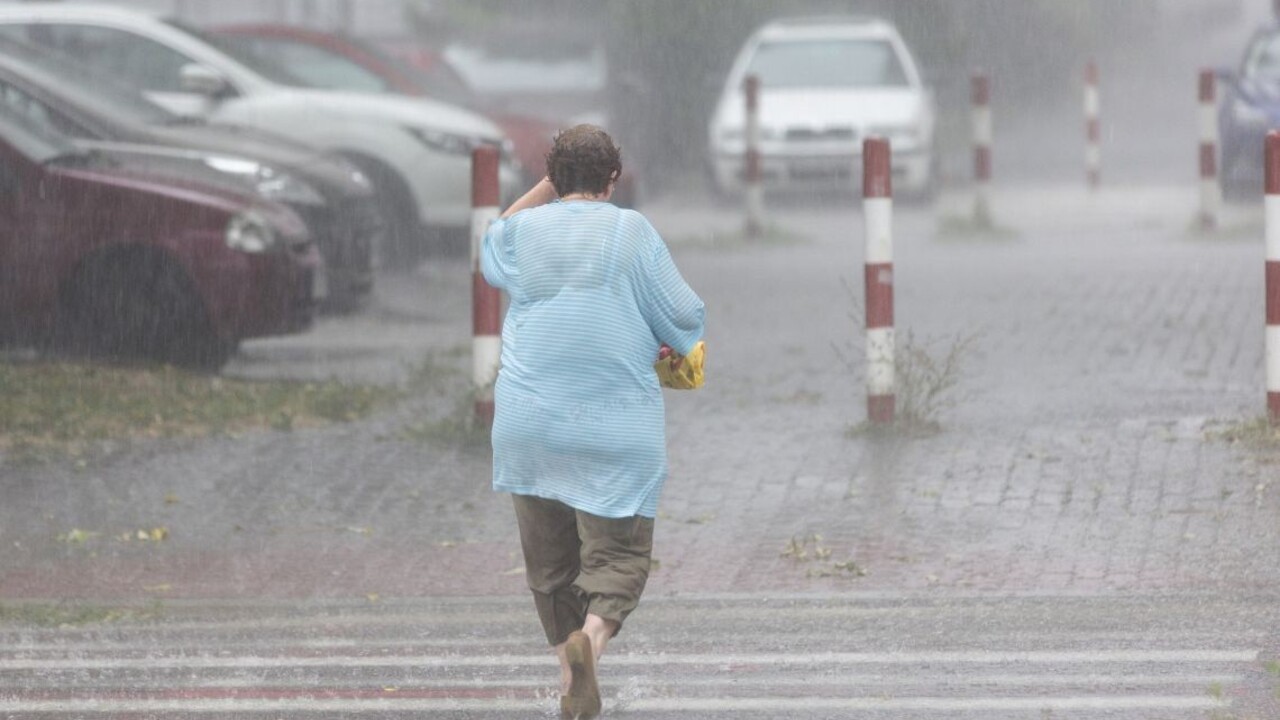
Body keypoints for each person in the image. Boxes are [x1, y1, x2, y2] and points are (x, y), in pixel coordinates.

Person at [480, 124, 705, 719]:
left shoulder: (524, 233)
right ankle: (594, 639)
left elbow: (492, 237)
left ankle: (569, 681)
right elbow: (684, 317)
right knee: (618, 557)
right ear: (614, 177)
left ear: (555, 178)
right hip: (612, 428)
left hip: (530, 427)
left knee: (551, 569)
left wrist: (547, 188)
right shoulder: (631, 233)